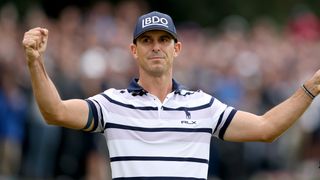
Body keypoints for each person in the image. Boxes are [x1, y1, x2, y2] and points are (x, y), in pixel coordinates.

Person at [22, 11, 319, 179]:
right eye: (147, 40)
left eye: (164, 40)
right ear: (133, 50)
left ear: (176, 49)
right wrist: (35, 62)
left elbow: (267, 129)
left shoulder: (202, 105)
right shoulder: (112, 103)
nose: (156, 46)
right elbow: (55, 112)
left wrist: (311, 88)